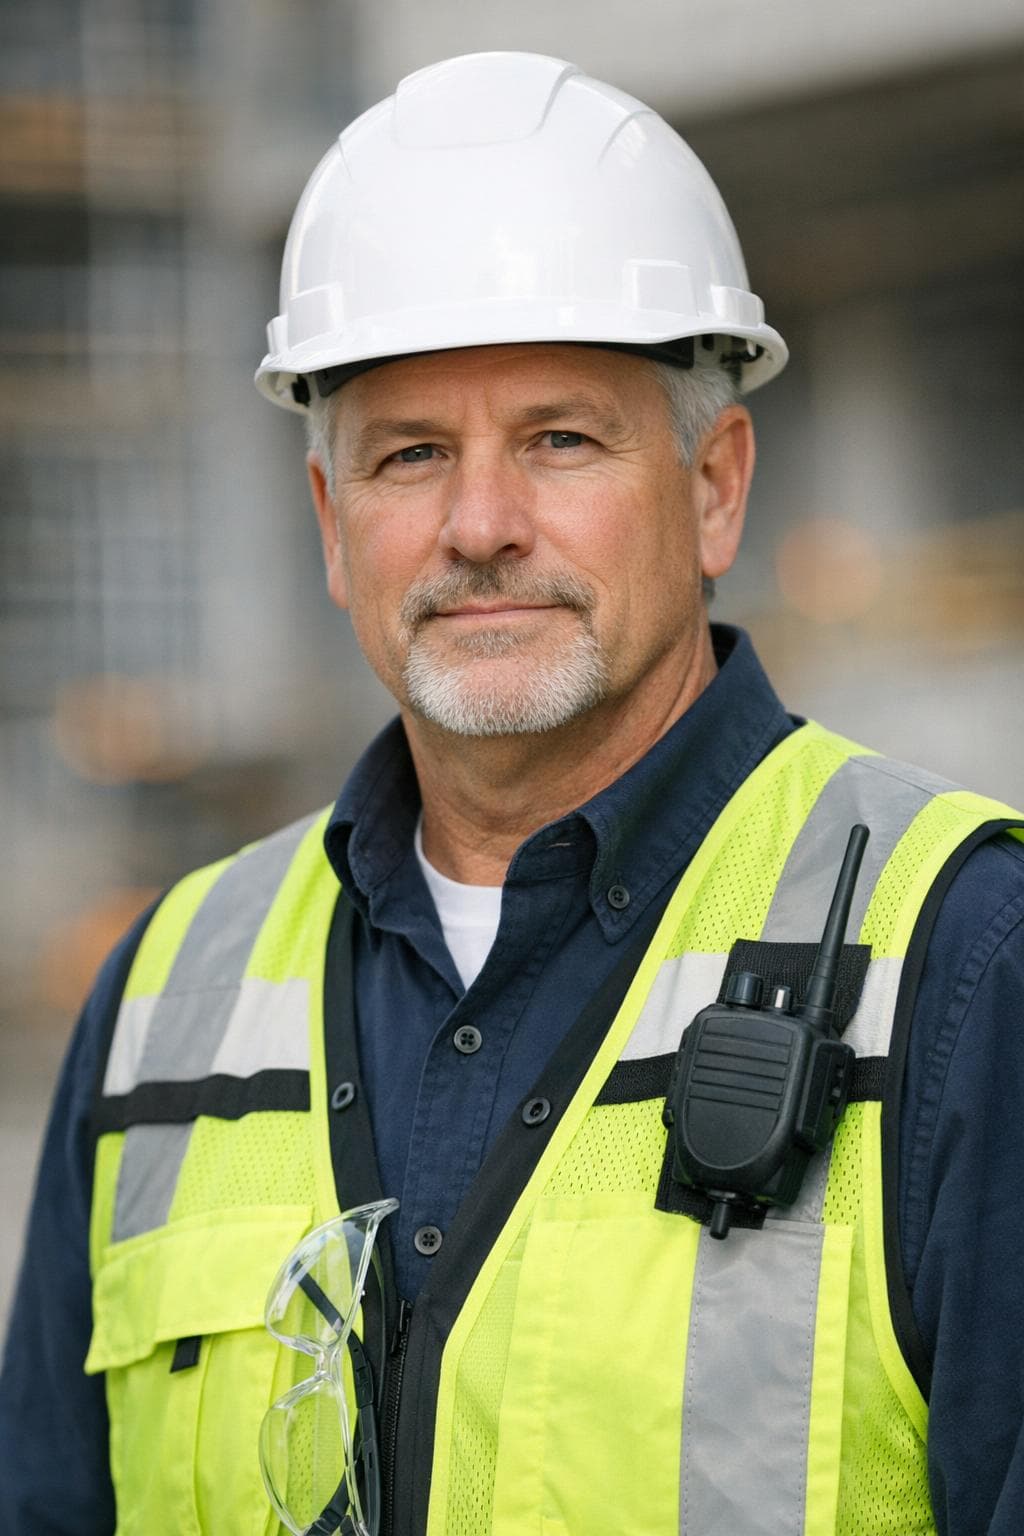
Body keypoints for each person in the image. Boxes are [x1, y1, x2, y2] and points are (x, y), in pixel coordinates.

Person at [2, 50, 1022, 1536]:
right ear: (332, 523)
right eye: (412, 455)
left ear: (716, 486)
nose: (480, 526)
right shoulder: (163, 999)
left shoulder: (963, 964)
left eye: (560, 440)